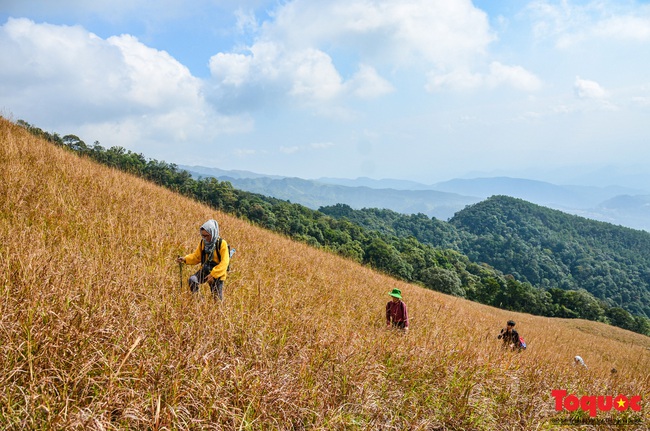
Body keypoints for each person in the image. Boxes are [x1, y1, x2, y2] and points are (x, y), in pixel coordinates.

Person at [176, 219, 230, 300]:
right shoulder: (203, 243)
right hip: (205, 269)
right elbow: (197, 257)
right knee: (192, 280)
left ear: (213, 232)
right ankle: (200, 302)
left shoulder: (222, 244)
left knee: (217, 299)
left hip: (218, 273)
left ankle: (217, 311)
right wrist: (185, 259)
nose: (204, 238)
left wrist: (213, 275)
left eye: (206, 235)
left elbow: (224, 263)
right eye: (202, 236)